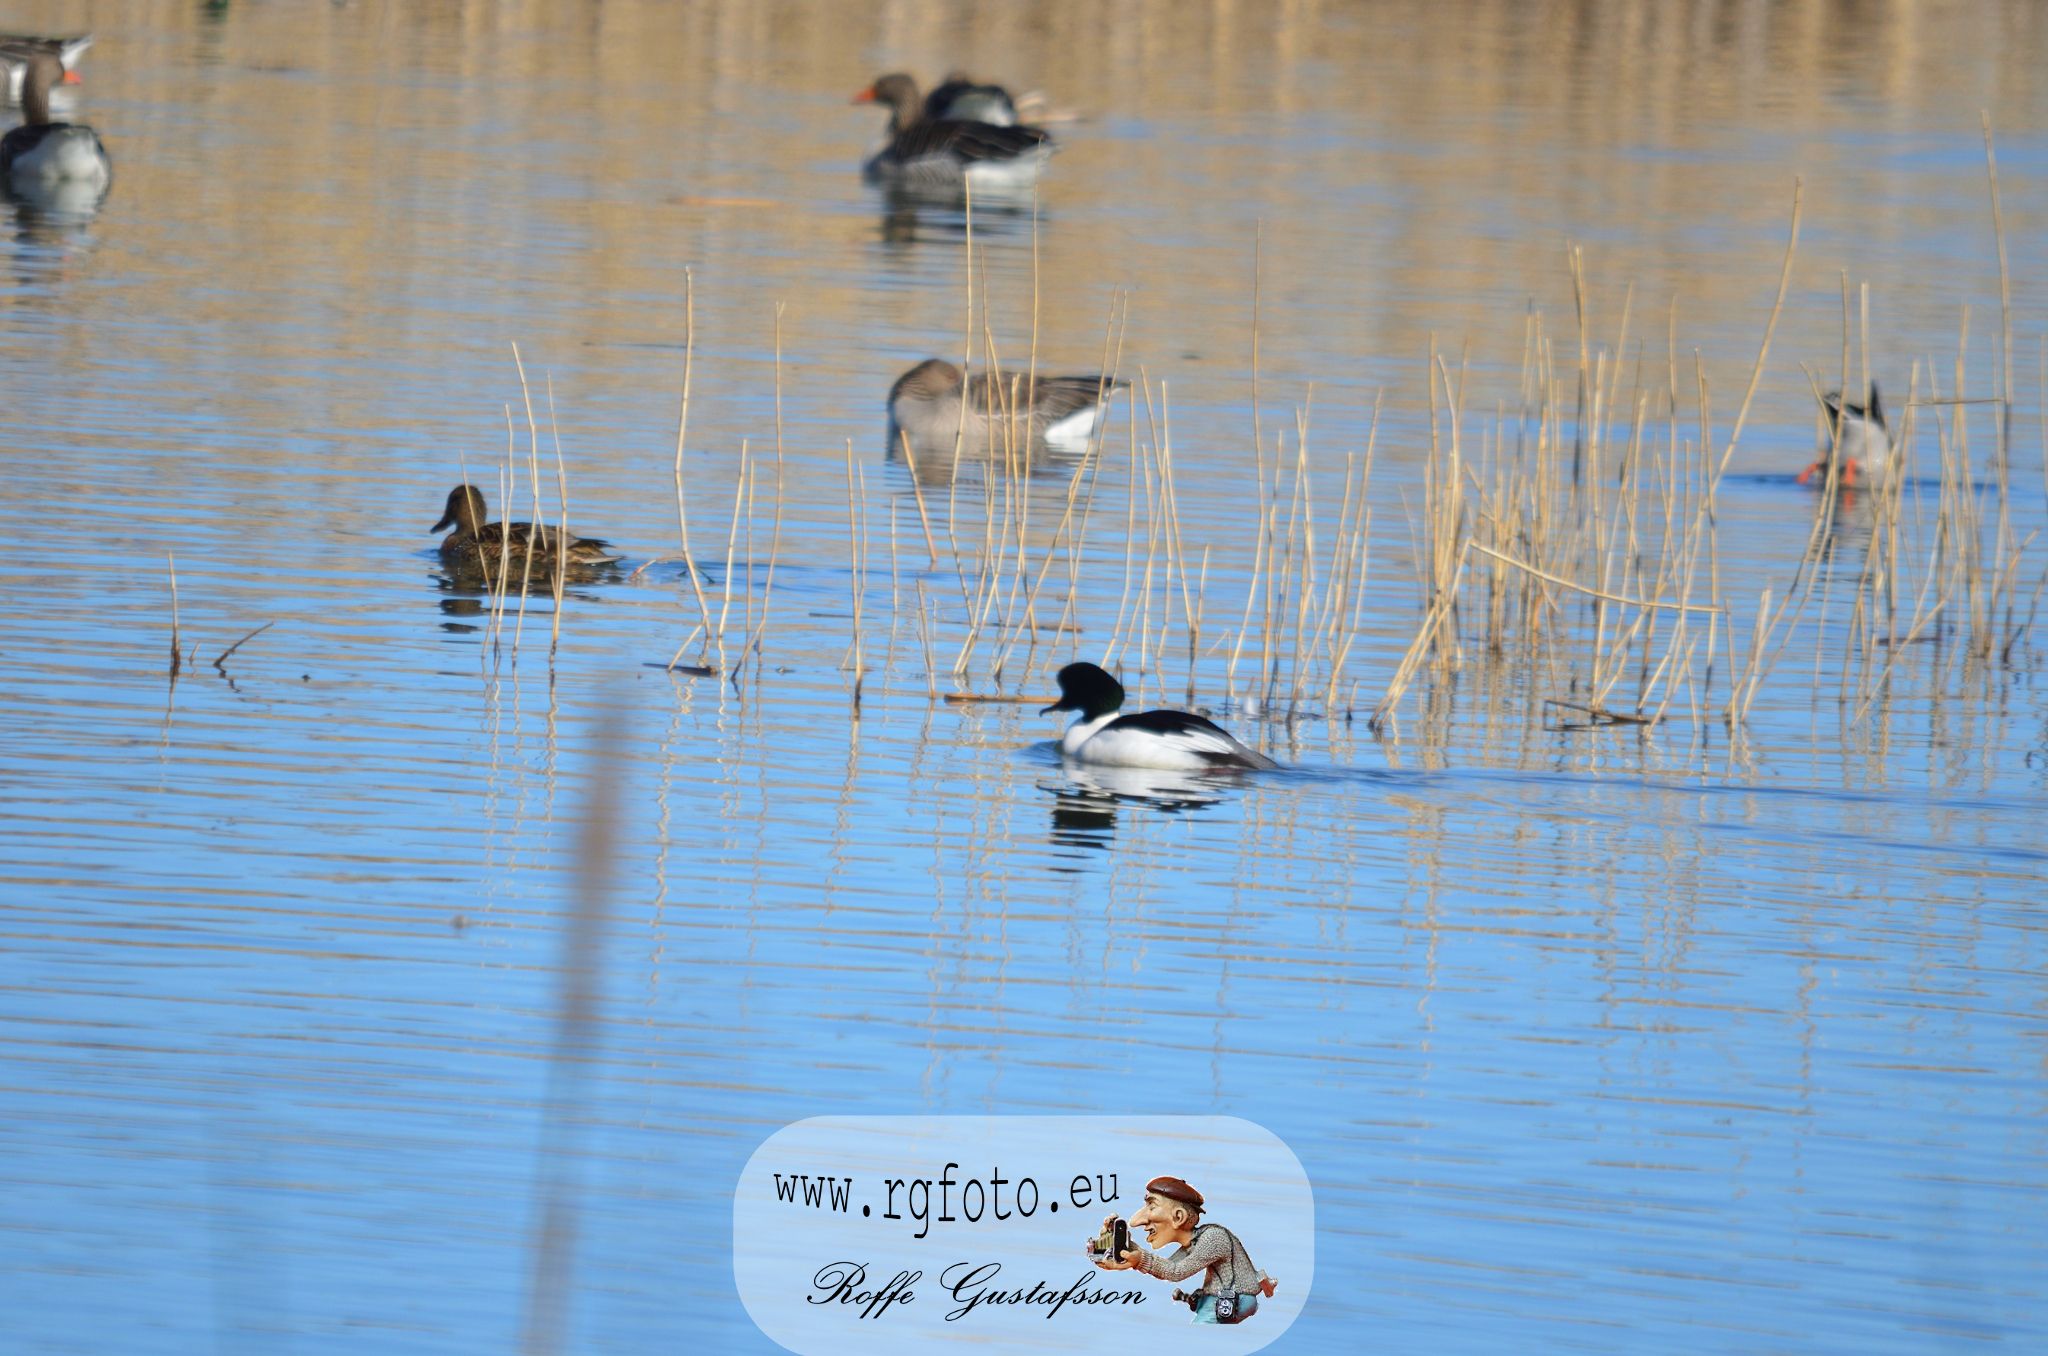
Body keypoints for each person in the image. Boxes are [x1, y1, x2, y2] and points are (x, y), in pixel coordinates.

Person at [1090, 1176, 1276, 1324]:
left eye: (1151, 1206)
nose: (1137, 1221)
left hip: (1236, 1300)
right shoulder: (1197, 1240)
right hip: (1220, 1299)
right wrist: (1127, 1248)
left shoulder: (1213, 1238)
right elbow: (1169, 1265)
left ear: (1178, 1216)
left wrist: (1139, 1260)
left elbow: (1175, 1272)